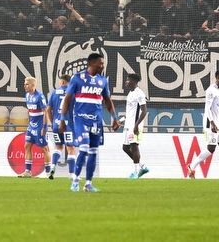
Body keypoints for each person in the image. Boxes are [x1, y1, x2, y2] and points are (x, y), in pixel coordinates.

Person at [59, 52, 121, 193]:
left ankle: (88, 184)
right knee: (84, 148)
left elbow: (107, 100)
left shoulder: (103, 81)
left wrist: (114, 118)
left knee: (93, 151)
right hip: (81, 119)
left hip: (96, 121)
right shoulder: (77, 78)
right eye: (100, 63)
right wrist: (63, 119)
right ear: (92, 63)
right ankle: (75, 179)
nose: (102, 65)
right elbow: (67, 99)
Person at [186, 69, 219, 179]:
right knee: (211, 149)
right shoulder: (210, 90)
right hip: (211, 123)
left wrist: (218, 123)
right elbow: (207, 108)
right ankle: (192, 166)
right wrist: (212, 123)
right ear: (217, 77)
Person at [19, 77, 52, 178]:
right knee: (27, 146)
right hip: (31, 126)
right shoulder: (27, 95)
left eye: (27, 84)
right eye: (25, 84)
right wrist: (29, 123)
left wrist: (45, 127)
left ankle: (48, 172)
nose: (25, 86)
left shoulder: (40, 96)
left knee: (44, 148)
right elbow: (30, 111)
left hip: (39, 127)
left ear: (33, 85)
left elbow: (45, 111)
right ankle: (28, 171)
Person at [45, 74, 76, 179]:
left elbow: (48, 109)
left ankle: (52, 166)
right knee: (70, 148)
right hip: (68, 125)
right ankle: (72, 174)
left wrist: (52, 122)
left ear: (62, 82)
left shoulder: (54, 92)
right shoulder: (73, 93)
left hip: (56, 125)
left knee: (58, 147)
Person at [122, 73, 149, 179]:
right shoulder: (130, 93)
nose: (126, 82)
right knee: (125, 147)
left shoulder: (140, 94)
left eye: (128, 80)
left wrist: (137, 125)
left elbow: (144, 110)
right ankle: (143, 166)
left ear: (134, 81)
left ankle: (135, 172)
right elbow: (131, 111)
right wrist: (122, 121)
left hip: (135, 125)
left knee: (134, 146)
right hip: (128, 125)